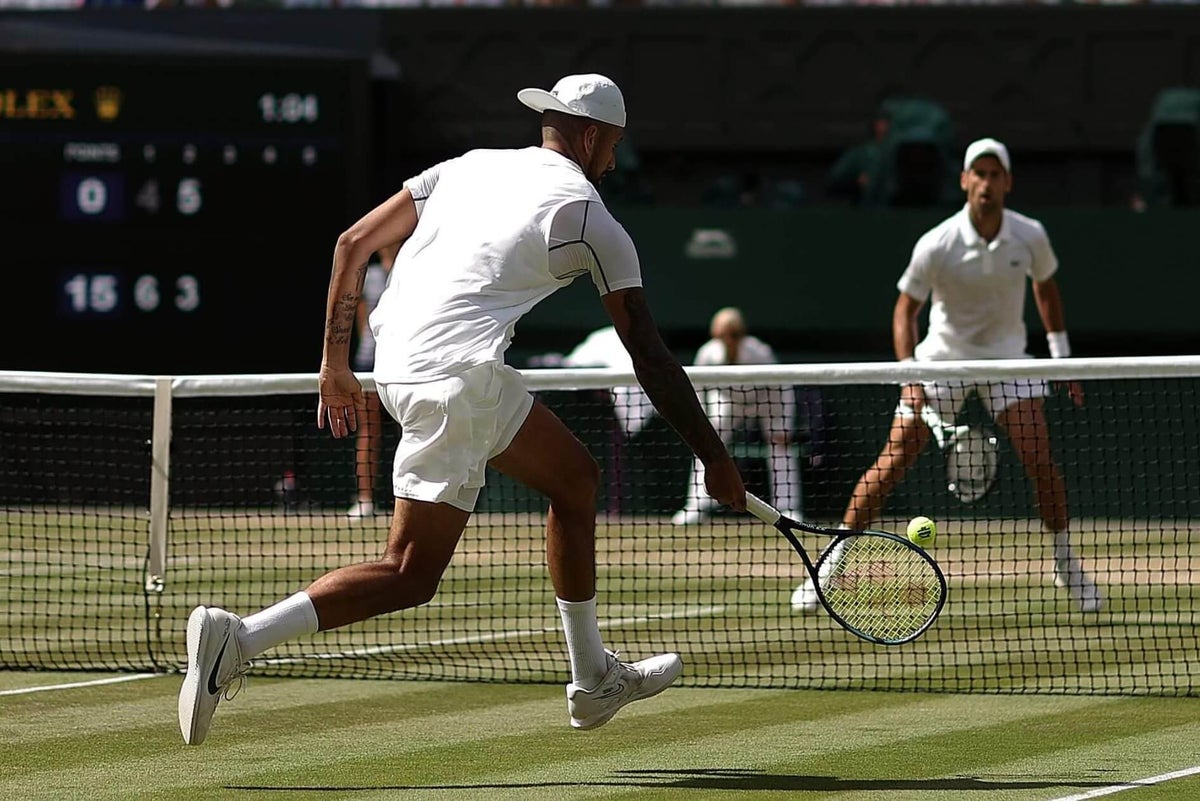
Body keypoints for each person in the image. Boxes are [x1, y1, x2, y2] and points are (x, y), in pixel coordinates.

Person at [178, 73, 746, 746]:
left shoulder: (469, 167)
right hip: (456, 381)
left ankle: (593, 679)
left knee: (575, 478)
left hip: (403, 366)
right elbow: (649, 355)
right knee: (410, 573)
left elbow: (352, 244)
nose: (615, 161)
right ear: (591, 136)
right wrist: (714, 457)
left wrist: (333, 364)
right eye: (613, 145)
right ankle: (238, 637)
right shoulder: (591, 219)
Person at [790, 137, 1099, 614]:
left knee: (1039, 458)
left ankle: (1065, 563)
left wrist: (1062, 359)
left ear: (1007, 183)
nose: (987, 183)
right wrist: (910, 375)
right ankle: (829, 566)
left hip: (1007, 361)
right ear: (965, 181)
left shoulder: (1030, 235)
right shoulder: (937, 242)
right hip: (941, 360)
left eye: (996, 175)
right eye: (979, 174)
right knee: (892, 461)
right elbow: (904, 311)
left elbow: (1047, 290)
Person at [672, 307, 802, 524]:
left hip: (765, 402)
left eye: (733, 334)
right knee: (705, 445)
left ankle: (788, 508)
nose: (728, 340)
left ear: (741, 334)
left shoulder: (760, 353)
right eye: (722, 335)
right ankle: (696, 507)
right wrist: (700, 424)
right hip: (728, 402)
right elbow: (698, 389)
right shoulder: (708, 354)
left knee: (780, 448)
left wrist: (783, 427)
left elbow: (781, 386)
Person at [346, 243, 399, 520]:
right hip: (369, 362)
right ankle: (365, 500)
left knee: (415, 426)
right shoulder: (372, 276)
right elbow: (360, 318)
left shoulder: (410, 269)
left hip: (405, 359)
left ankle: (409, 501)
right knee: (369, 430)